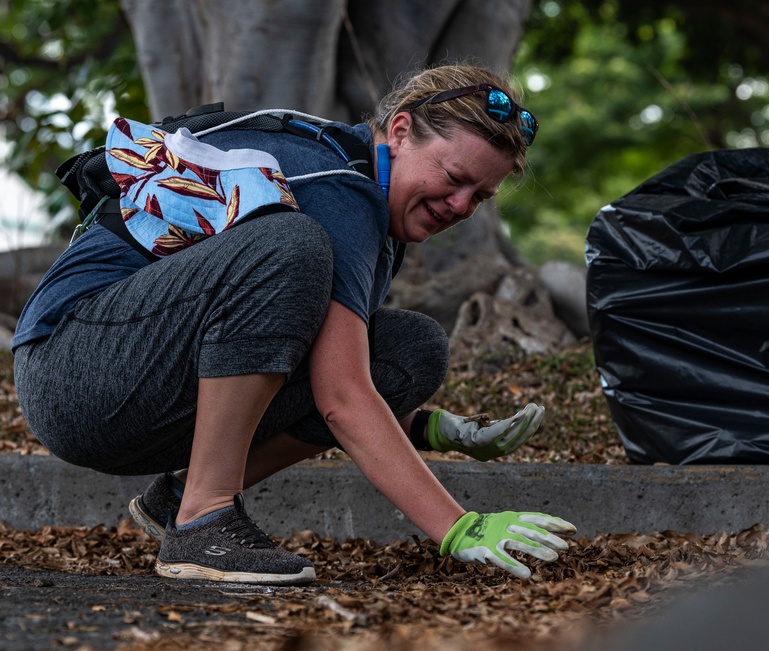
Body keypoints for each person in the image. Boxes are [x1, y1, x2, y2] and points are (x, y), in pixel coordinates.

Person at [12, 63, 576, 586]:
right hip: (73, 368)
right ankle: (204, 519)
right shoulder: (340, 188)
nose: (458, 205)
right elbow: (342, 396)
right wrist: (459, 526)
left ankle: (179, 498)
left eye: (479, 196)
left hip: (131, 380)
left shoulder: (373, 201)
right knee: (290, 246)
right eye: (453, 177)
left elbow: (317, 357)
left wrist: (424, 425)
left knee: (410, 350)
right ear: (400, 131)